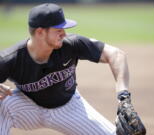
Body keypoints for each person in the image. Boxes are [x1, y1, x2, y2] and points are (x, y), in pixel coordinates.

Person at [0, 3, 146, 135]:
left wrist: (123, 96)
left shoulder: (71, 44)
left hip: (68, 107)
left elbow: (116, 55)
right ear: (40, 32)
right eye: (58, 30)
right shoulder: (11, 58)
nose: (64, 33)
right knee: (2, 104)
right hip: (27, 107)